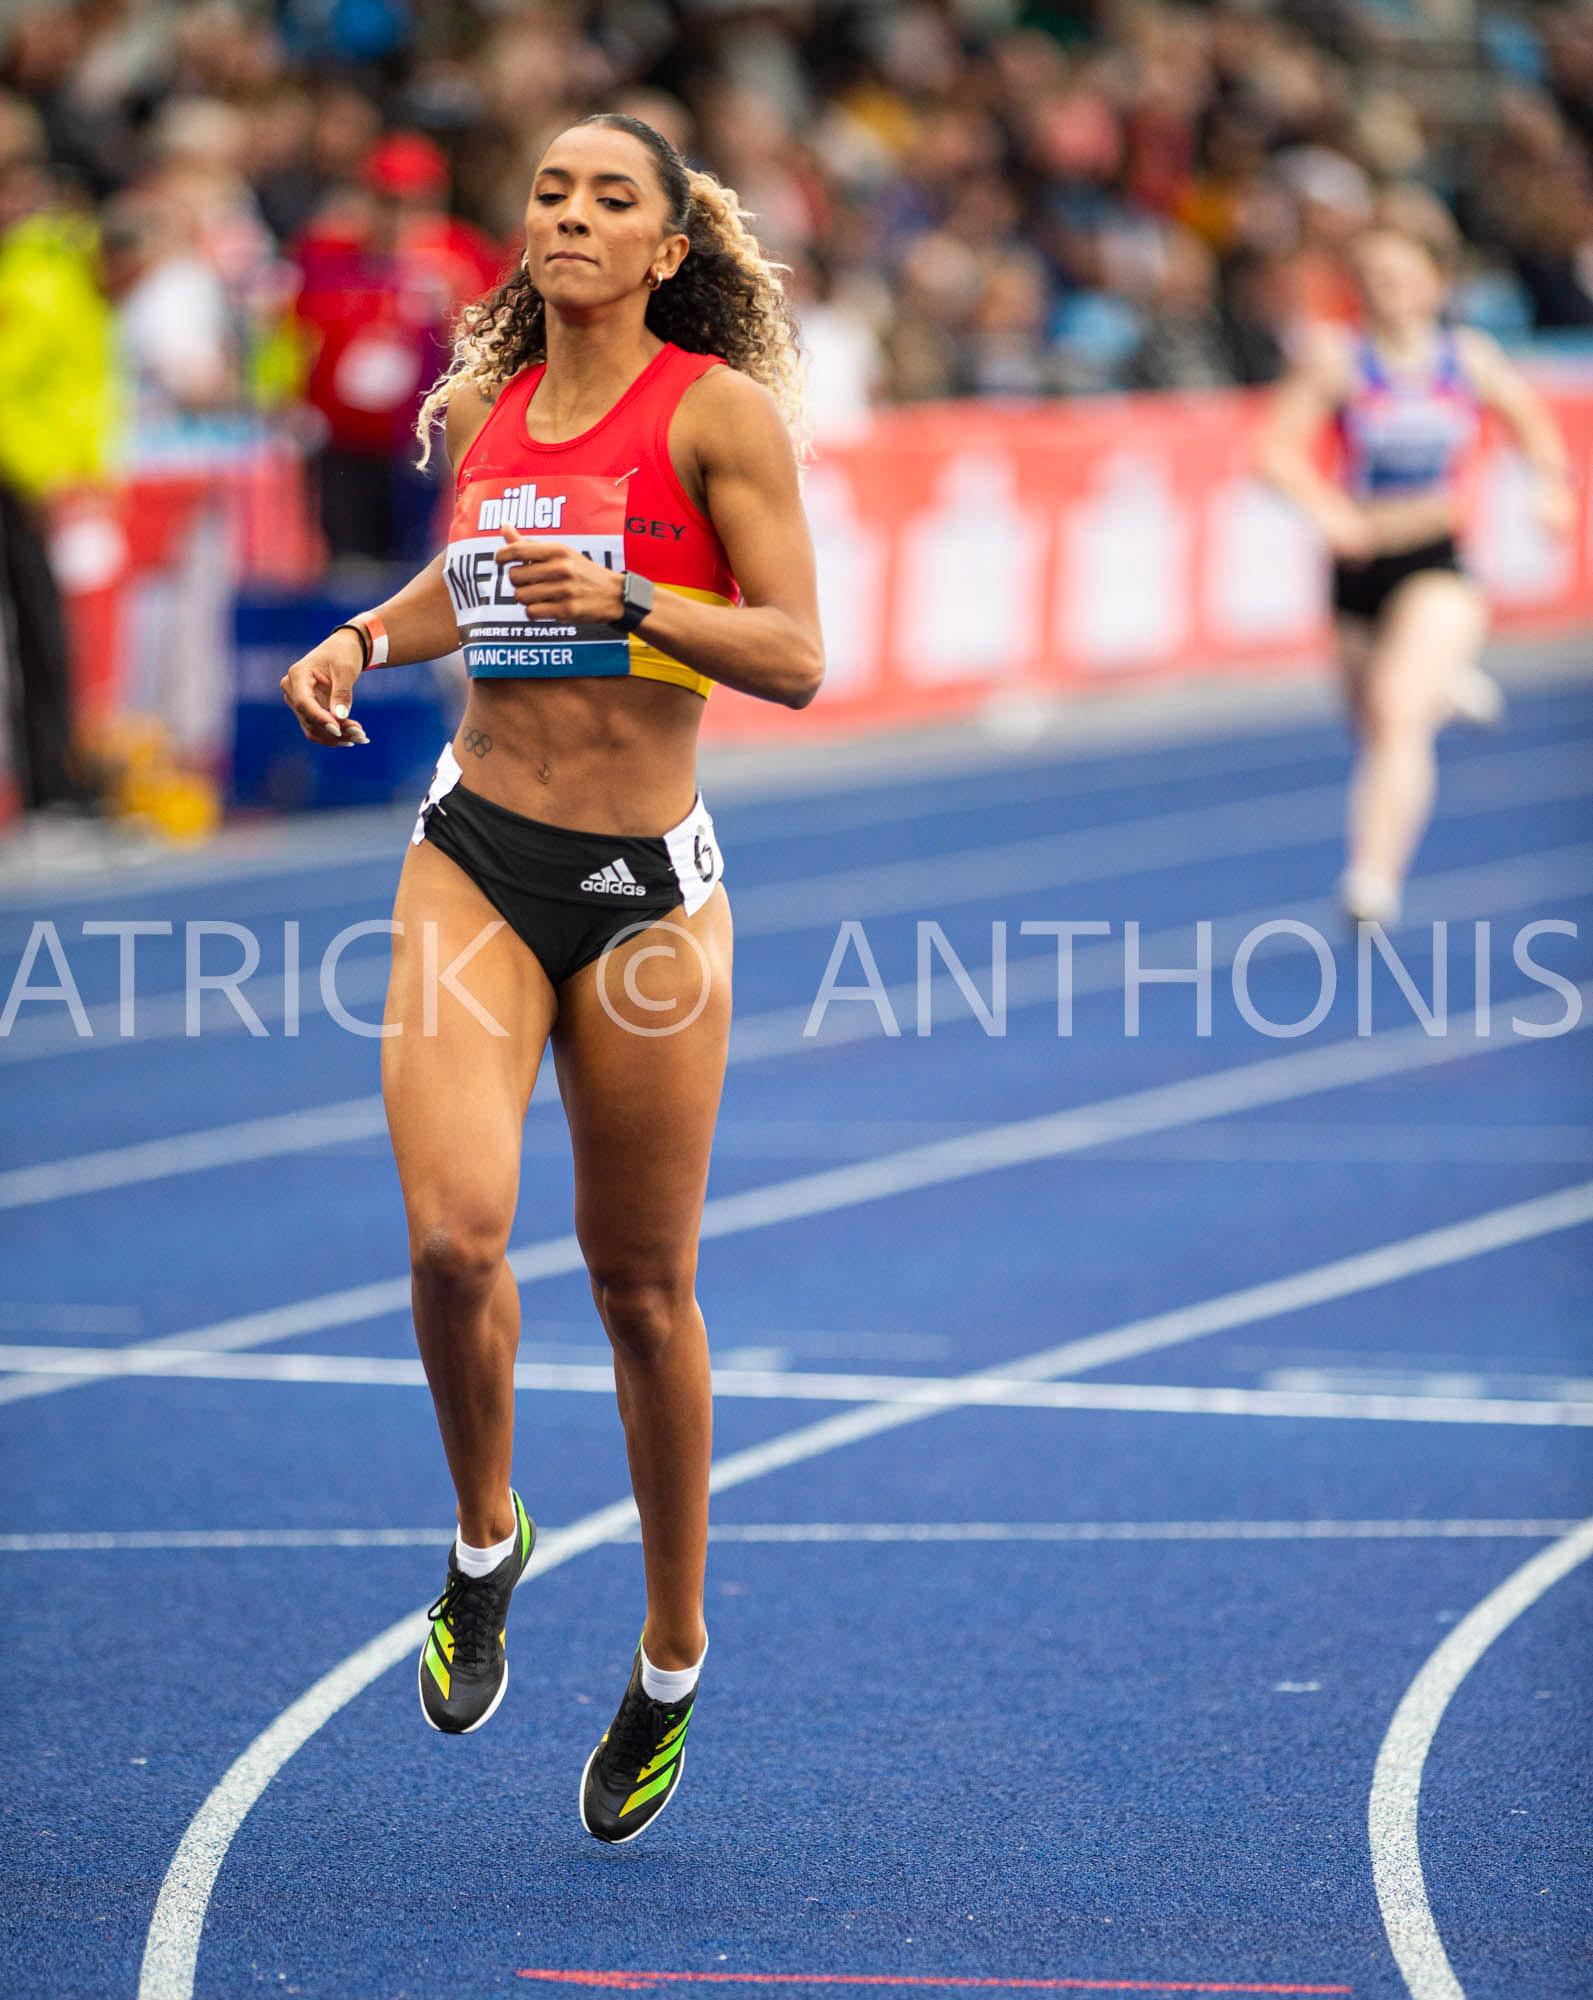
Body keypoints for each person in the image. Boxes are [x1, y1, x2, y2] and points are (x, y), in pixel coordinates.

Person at [280, 112, 822, 1843]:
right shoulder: (486, 409)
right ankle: (483, 1540)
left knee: (640, 1292)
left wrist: (637, 594)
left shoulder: (712, 414)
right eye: (548, 192)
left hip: (648, 900)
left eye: (610, 200)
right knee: (451, 1237)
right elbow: (473, 582)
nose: (570, 216)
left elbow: (797, 657)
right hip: (478, 861)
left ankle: (667, 1660)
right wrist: (367, 633)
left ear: (668, 246)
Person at [1256, 221, 1574, 926]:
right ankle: (1444, 685)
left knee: (1397, 712)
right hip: (1359, 566)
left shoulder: (1467, 358)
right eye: (1371, 279)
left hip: (1436, 559)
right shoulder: (1337, 361)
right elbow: (1275, 450)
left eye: (1400, 277)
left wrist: (1550, 488)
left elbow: (1530, 423)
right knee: (1370, 722)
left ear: (1435, 282)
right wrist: (1326, 508)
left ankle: (1371, 881)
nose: (1386, 292)